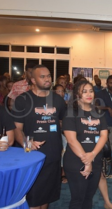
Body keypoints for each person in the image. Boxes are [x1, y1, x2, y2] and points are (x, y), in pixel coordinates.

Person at [12, 65, 66, 209]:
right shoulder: (22, 100)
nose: (47, 79)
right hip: (32, 156)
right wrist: (27, 143)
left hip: (53, 155)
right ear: (33, 80)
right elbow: (17, 128)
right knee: (33, 198)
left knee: (46, 196)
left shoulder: (58, 100)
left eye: (48, 76)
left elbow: (62, 123)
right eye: (42, 77)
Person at [63, 80, 108, 209]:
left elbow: (104, 136)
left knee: (88, 198)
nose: (89, 94)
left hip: (96, 160)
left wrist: (92, 155)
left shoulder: (98, 113)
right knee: (78, 199)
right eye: (84, 91)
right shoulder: (71, 113)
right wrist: (87, 162)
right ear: (77, 95)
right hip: (76, 161)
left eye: (91, 91)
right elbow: (72, 140)